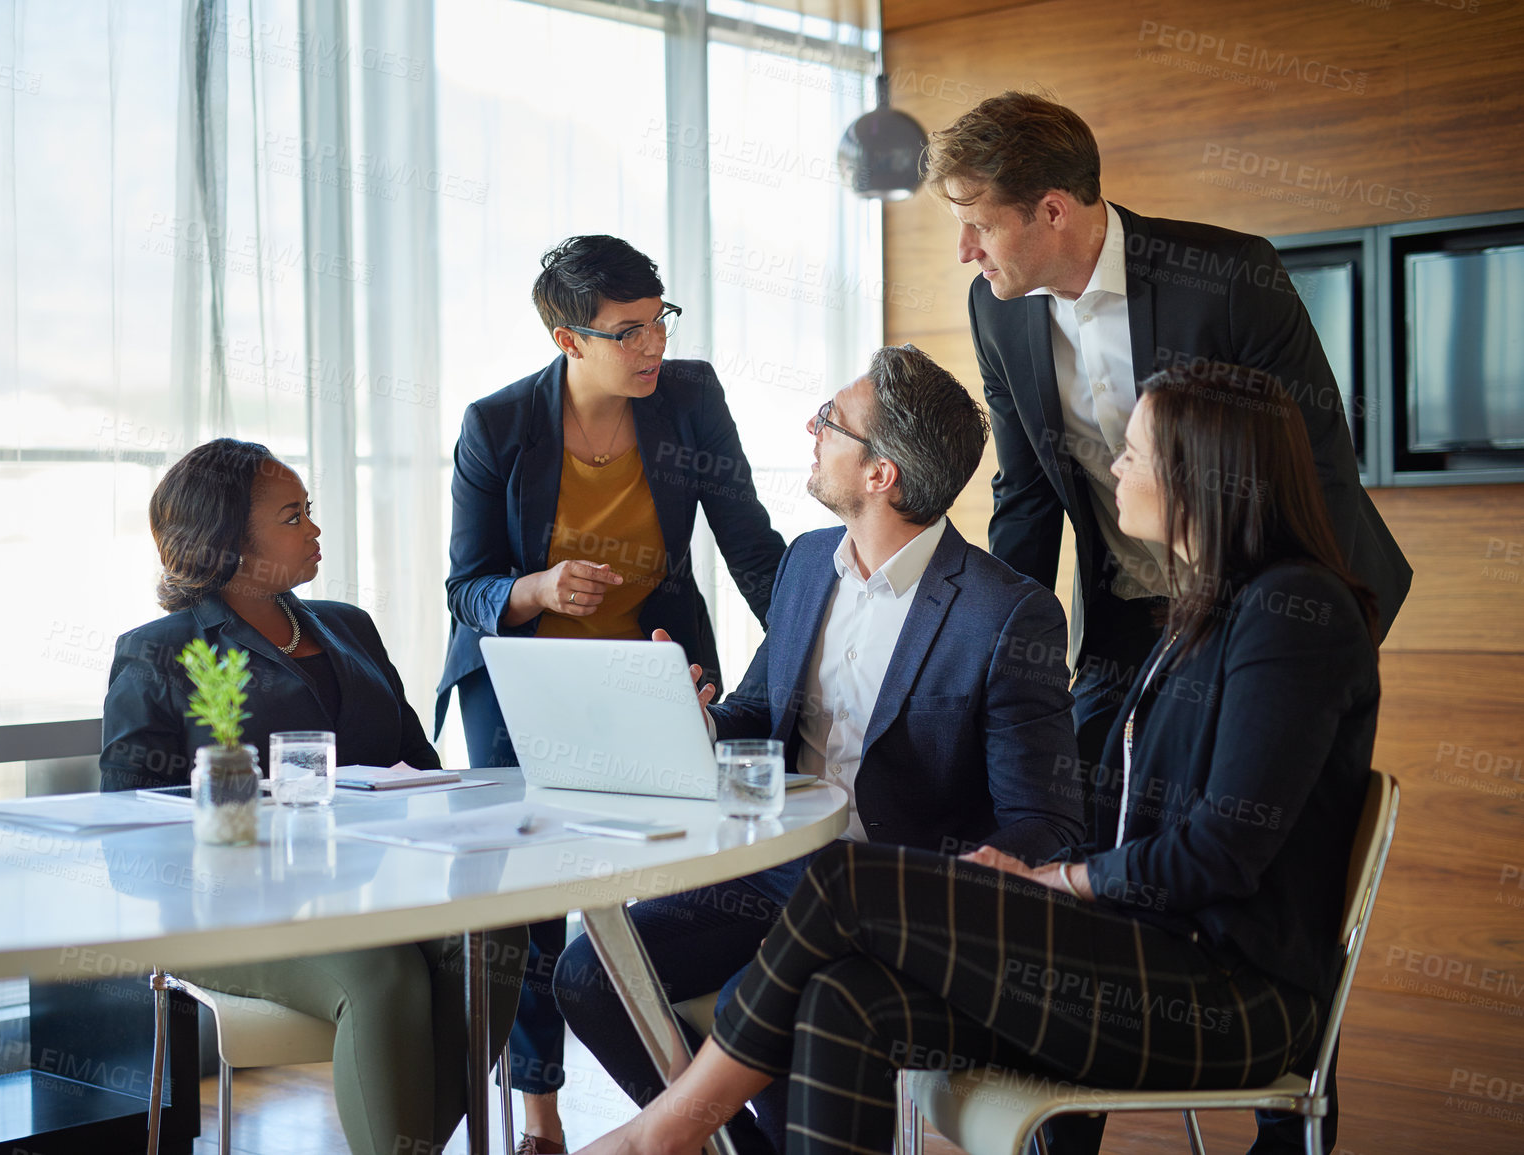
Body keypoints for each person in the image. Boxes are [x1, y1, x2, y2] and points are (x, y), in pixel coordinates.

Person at [576, 361, 1381, 1155]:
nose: (1114, 466)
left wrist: (1052, 879)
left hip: (1222, 994)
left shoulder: (1294, 614)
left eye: (1132, 451)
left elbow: (1221, 852)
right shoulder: (1203, 609)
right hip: (1148, 953)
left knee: (842, 878)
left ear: (1199, 473)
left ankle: (660, 1135)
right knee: (836, 999)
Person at [928, 92, 1409, 1152]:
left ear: (1051, 209)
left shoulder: (1227, 277)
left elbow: (1310, 469)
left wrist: (1287, 646)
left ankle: (1291, 1111)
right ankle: (1073, 1118)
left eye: (977, 218)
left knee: (1262, 853)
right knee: (1093, 847)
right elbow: (1026, 501)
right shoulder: (998, 308)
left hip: (1270, 603)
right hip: (1126, 622)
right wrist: (991, 657)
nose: (963, 248)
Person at [553, 344, 1084, 1155]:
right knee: (589, 973)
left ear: (882, 476)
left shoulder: (1006, 615)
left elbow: (1042, 823)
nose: (813, 427)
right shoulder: (806, 564)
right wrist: (691, 722)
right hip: (769, 878)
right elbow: (758, 713)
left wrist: (953, 886)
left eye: (831, 421)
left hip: (891, 901)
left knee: (772, 1015)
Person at [438, 235, 787, 1154]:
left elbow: (748, 541)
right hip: (526, 678)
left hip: (648, 661)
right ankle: (541, 1112)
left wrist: (808, 638)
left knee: (697, 863)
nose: (651, 348)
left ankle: (702, 1092)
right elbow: (466, 586)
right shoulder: (498, 425)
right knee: (533, 894)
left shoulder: (689, 397)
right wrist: (538, 588)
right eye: (626, 332)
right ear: (567, 340)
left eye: (658, 321)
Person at [101, 438, 526, 1155]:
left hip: (374, 890)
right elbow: (128, 829)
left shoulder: (348, 626)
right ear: (227, 542)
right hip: (229, 909)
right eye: (292, 516)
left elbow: (421, 767)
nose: (314, 529)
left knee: (494, 942)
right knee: (381, 972)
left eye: (309, 511)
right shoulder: (159, 651)